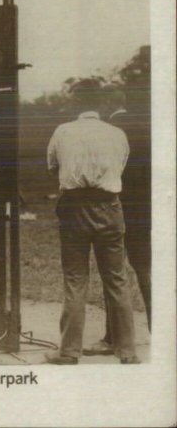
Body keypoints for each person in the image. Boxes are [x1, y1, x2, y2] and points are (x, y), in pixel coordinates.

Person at [45, 79, 139, 365]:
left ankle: (69, 351)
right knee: (117, 279)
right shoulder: (117, 134)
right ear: (101, 104)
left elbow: (52, 166)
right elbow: (120, 167)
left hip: (74, 206)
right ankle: (128, 351)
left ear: (75, 103)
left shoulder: (63, 131)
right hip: (109, 205)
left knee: (75, 278)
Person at [86, 88, 152, 356]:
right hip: (145, 211)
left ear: (107, 105)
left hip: (116, 209)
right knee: (145, 272)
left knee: (114, 275)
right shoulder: (147, 128)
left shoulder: (109, 132)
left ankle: (113, 337)